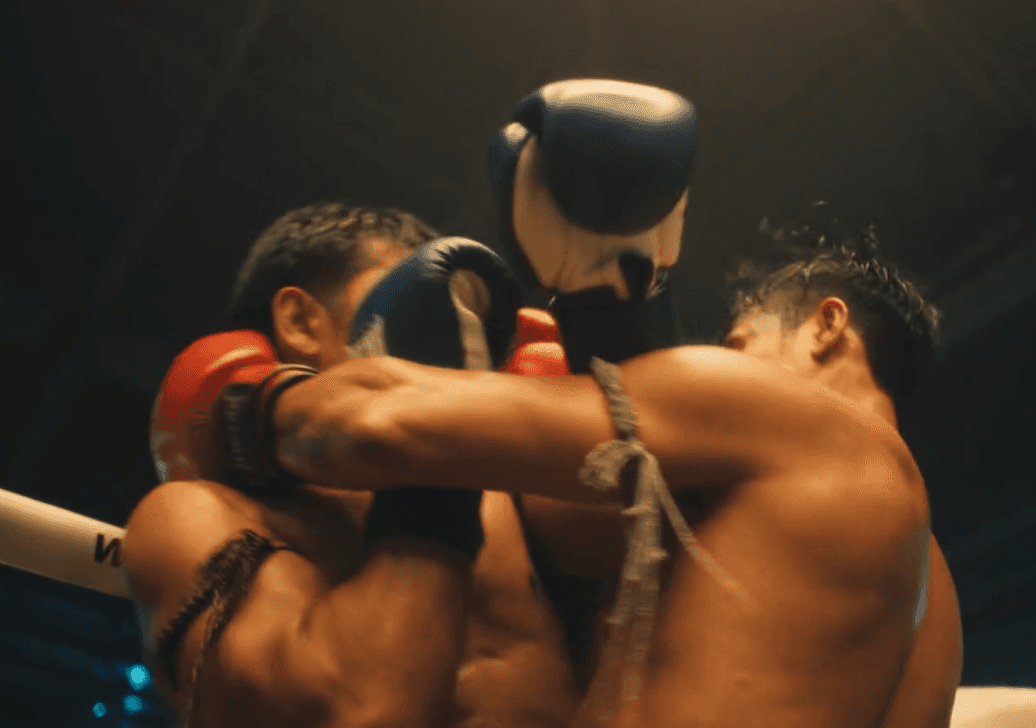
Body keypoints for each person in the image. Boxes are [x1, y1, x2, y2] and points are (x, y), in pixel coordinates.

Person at [261, 232, 964, 727]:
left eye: (738, 345)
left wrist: (244, 403)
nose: (725, 362)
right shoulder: (934, 596)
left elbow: (369, 423)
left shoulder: (775, 414)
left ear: (826, 326)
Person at [120, 203, 579, 728]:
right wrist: (430, 452)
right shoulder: (195, 518)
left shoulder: (506, 487)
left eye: (460, 307)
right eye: (410, 291)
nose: (452, 323)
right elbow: (359, 712)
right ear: (300, 322)